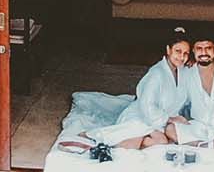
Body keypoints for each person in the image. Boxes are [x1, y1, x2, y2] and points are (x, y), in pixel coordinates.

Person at [64, 27, 193, 152]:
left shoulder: (183, 72)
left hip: (158, 121)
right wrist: (170, 119)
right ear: (168, 50)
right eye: (178, 51)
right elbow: (146, 106)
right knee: (151, 140)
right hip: (141, 116)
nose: (182, 57)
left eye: (186, 53)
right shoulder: (157, 73)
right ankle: (91, 138)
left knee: (161, 140)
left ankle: (111, 144)